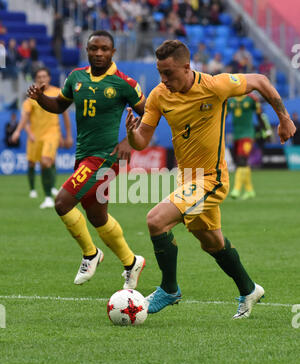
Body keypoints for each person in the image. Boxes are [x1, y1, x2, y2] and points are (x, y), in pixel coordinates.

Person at [126, 39, 295, 319]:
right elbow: (142, 139)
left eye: (168, 73)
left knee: (156, 220)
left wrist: (284, 118)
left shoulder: (215, 86)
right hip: (188, 180)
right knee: (211, 242)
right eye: (160, 73)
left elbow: (261, 80)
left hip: (211, 179)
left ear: (186, 67)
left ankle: (169, 289)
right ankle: (249, 289)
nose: (163, 79)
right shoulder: (158, 95)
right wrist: (133, 135)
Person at [25, 30, 146, 288]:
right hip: (84, 157)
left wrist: (128, 140)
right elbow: (59, 105)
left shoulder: (124, 83)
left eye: (104, 49)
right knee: (97, 217)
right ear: (87, 50)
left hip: (106, 157)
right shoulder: (76, 78)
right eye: (94, 49)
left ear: (113, 52)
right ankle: (131, 261)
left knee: (62, 202)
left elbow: (150, 115)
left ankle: (91, 254)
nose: (99, 53)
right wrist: (40, 98)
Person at [11, 67, 73, 207]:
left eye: (44, 76)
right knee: (36, 162)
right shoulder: (32, 97)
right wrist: (17, 131)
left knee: (46, 161)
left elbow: (65, 116)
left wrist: (68, 135)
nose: (42, 79)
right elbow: (25, 117)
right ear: (35, 79)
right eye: (39, 76)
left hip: (52, 133)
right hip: (36, 136)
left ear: (49, 78)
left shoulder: (57, 92)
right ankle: (41, 188)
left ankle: (48, 197)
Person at [227, 93, 271, 200]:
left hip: (247, 135)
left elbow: (260, 116)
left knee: (242, 160)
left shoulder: (251, 99)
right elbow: (224, 116)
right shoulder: (230, 101)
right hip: (236, 135)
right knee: (242, 162)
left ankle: (236, 189)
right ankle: (250, 190)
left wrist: (266, 131)